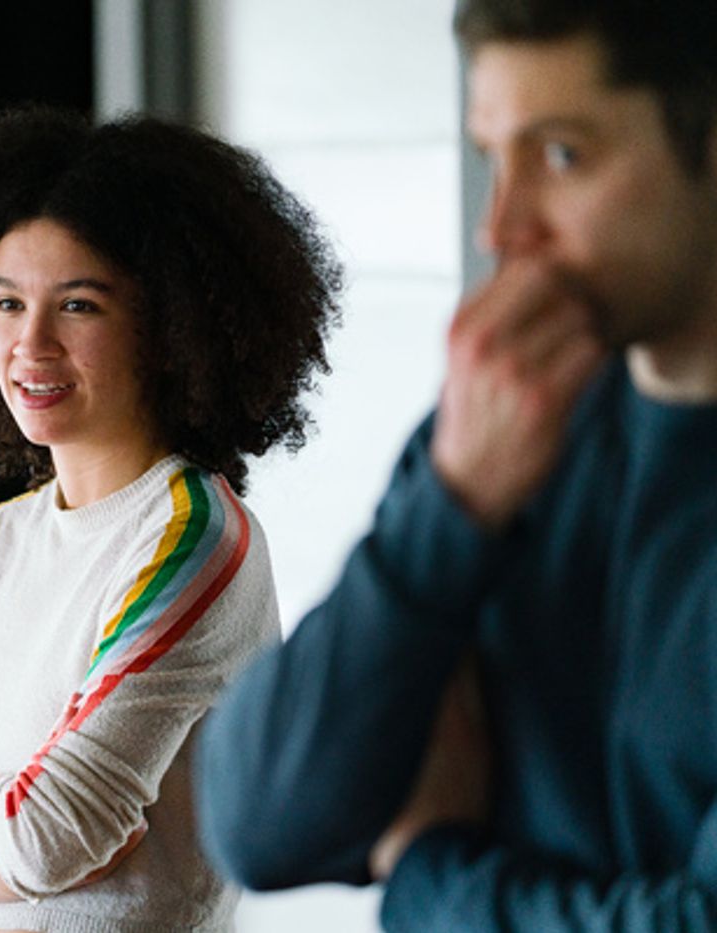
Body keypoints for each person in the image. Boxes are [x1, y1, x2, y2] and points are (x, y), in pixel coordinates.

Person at [195, 0, 717, 929]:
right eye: (492, 158)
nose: (502, 226)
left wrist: (428, 875)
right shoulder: (509, 423)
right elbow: (260, 822)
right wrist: (452, 507)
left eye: (563, 155)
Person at [0, 105, 341, 932]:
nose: (30, 344)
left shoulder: (193, 539)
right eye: (6, 303)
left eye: (78, 306)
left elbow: (48, 840)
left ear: (168, 327)